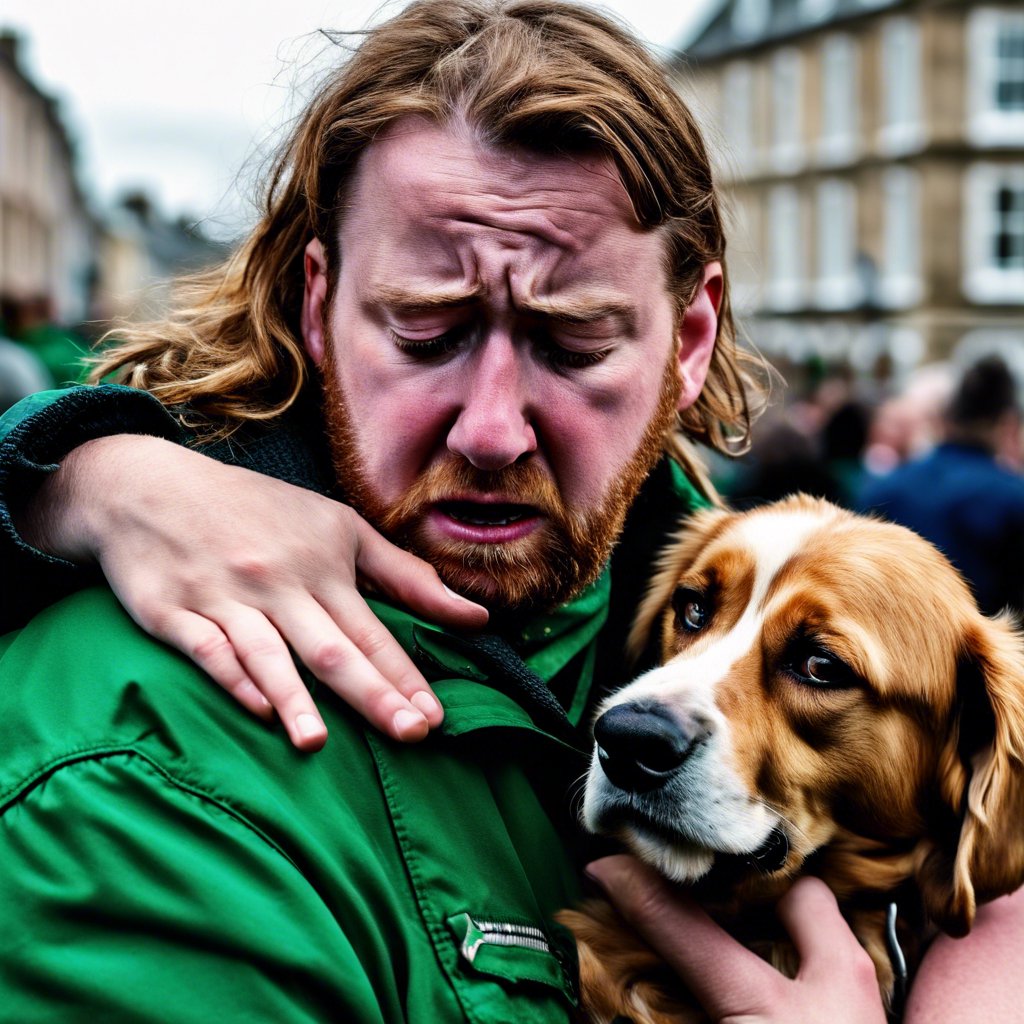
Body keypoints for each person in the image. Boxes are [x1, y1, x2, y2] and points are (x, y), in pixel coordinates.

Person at [0, 2, 1020, 1020]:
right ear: (319, 305)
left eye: (573, 343)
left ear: (690, 338)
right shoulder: (137, 770)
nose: (491, 431)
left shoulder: (653, 606)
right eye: (424, 330)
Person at [860, 355, 1024, 616]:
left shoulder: (886, 489)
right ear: (1007, 423)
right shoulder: (1012, 497)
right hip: (982, 648)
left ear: (946, 418)